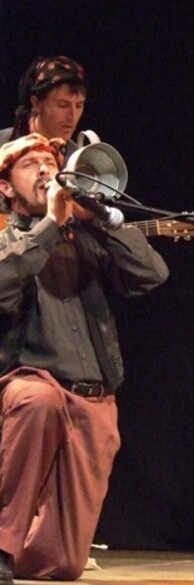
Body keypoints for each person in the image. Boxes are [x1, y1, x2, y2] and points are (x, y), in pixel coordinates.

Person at [0, 133, 169, 584]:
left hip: (91, 399)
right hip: (25, 387)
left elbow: (152, 275)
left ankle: (16, 551)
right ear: (5, 187)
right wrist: (49, 226)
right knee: (38, 401)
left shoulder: (87, 238)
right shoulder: (6, 238)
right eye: (30, 164)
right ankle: (1, 544)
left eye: (50, 163)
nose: (44, 171)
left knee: (63, 565)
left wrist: (104, 220)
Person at [0, 55, 88, 155]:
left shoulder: (79, 159)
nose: (73, 116)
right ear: (36, 103)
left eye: (79, 106)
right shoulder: (3, 146)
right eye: (62, 105)